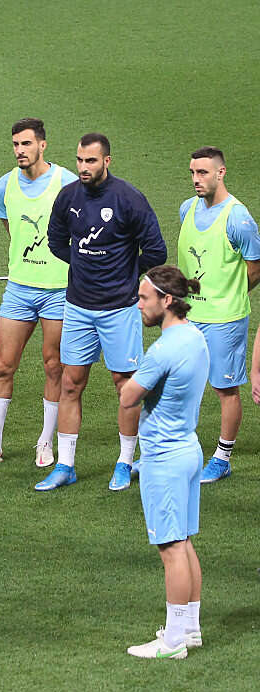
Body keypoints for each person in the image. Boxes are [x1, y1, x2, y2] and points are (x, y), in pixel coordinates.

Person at [38, 133, 166, 491]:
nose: (83, 167)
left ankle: (125, 462)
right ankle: (65, 465)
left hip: (119, 309)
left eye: (91, 161)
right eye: (80, 160)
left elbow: (156, 250)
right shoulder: (68, 197)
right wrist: (83, 264)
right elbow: (55, 240)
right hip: (78, 306)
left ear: (107, 161)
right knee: (70, 383)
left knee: (126, 386)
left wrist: (126, 271)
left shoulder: (129, 199)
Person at [0, 119, 78, 469]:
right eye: (16, 144)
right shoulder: (2, 186)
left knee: (54, 366)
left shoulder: (67, 183)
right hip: (19, 289)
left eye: (26, 144)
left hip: (59, 290)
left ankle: (45, 442)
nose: (20, 150)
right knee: (2, 366)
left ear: (42, 145)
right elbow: (12, 229)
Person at [120, 265, 208, 659]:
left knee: (171, 549)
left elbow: (128, 398)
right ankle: (189, 628)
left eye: (144, 298)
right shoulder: (196, 336)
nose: (138, 305)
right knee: (184, 542)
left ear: (167, 300)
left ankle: (172, 642)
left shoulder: (162, 350)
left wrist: (131, 376)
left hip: (164, 458)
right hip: (189, 450)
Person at [175, 146, 260, 483]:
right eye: (193, 173)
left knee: (225, 389)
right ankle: (179, 449)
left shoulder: (238, 218)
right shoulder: (187, 209)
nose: (196, 179)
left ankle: (222, 457)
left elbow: (255, 267)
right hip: (189, 316)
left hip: (225, 319)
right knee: (182, 382)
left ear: (221, 173)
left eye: (203, 173)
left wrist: (230, 293)